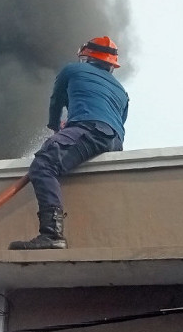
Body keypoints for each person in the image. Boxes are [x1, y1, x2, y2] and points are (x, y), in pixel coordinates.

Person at [9, 36, 129, 250]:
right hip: (114, 140)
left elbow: (56, 103)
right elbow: (118, 121)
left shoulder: (72, 70)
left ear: (87, 57)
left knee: (44, 165)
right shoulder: (122, 91)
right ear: (111, 65)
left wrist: (56, 129)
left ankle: (52, 234)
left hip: (89, 129)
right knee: (57, 156)